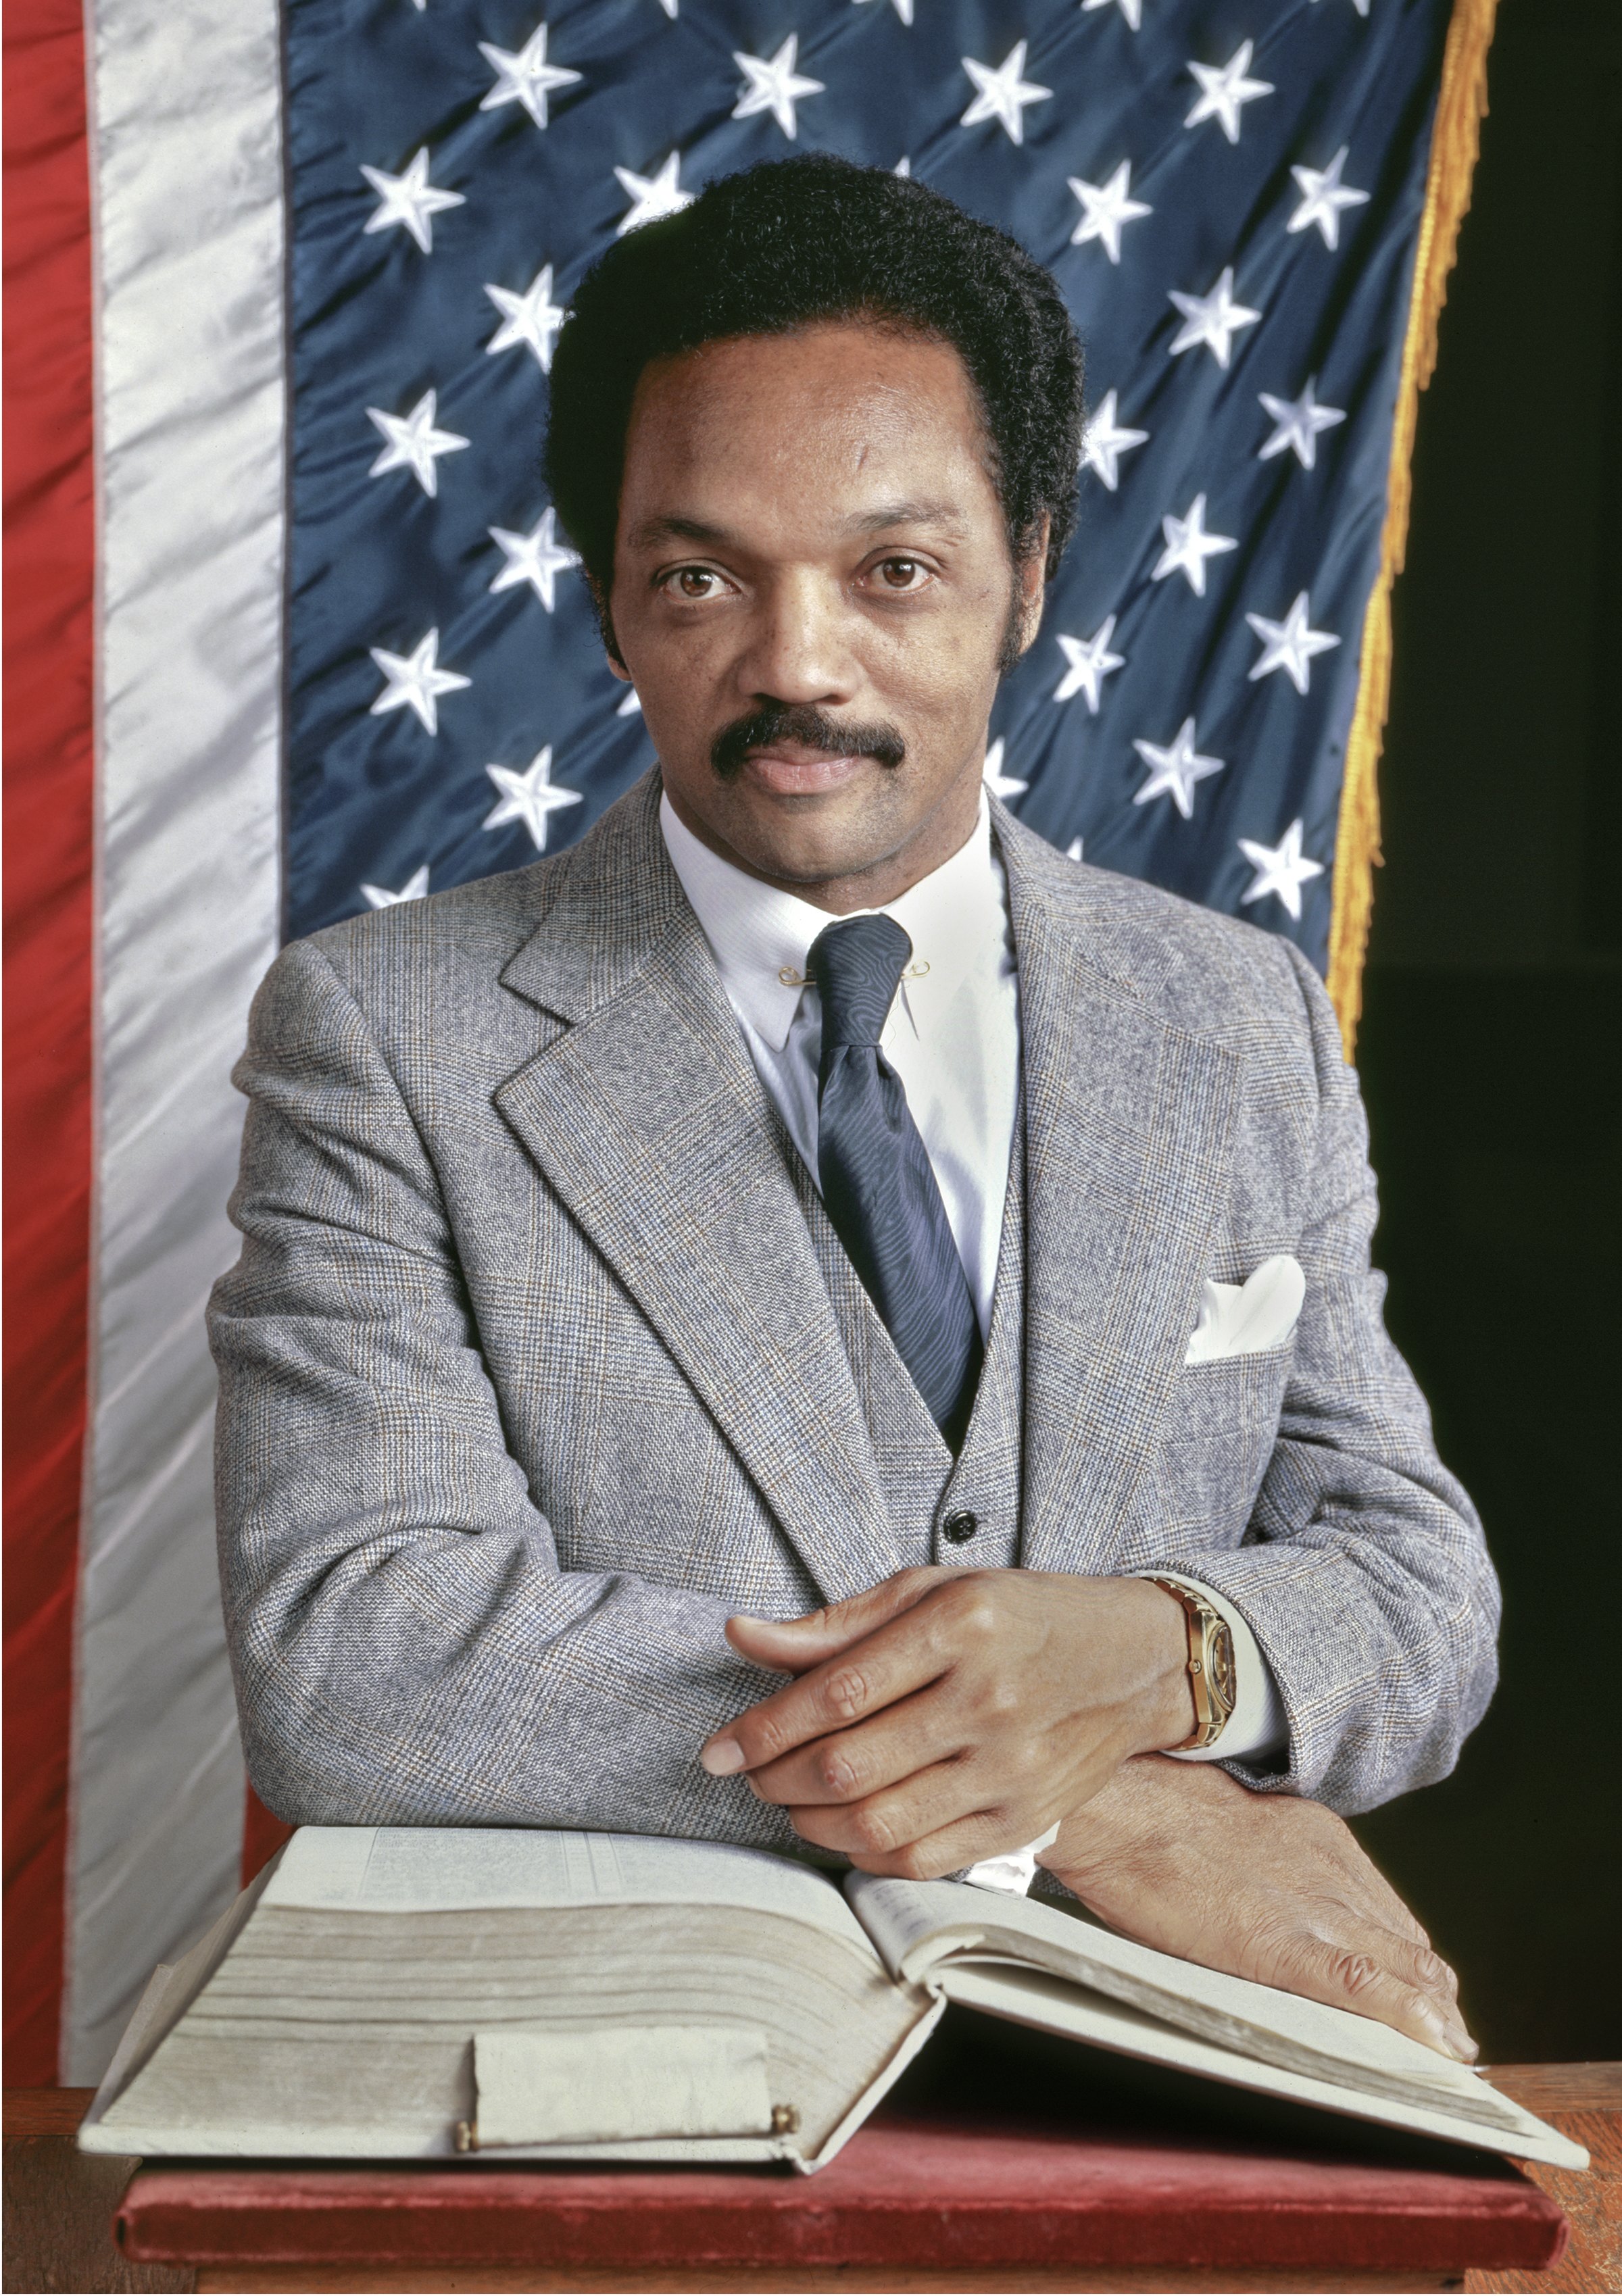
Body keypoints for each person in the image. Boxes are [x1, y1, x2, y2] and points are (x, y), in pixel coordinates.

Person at [209, 156, 1495, 2069]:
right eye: (703, 577)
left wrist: (1162, 1652)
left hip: (1198, 2104)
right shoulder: (382, 1033)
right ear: (611, 604)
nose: (797, 666)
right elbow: (360, 1650)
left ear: (1028, 575)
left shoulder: (1237, 1018)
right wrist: (1072, 1789)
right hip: (624, 2122)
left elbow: (1413, 1598)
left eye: (893, 570)